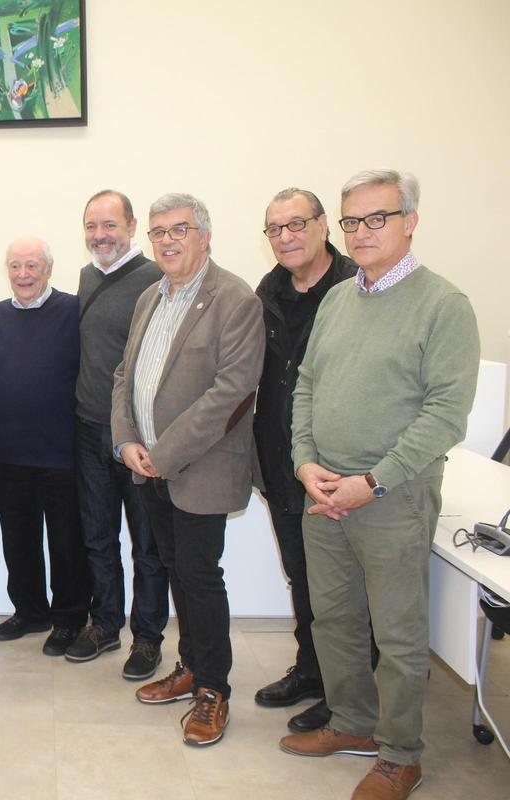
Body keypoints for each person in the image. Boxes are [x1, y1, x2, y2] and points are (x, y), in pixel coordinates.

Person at [280, 170, 480, 800]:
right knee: (334, 618)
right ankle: (352, 724)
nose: (361, 232)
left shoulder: (444, 305)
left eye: (377, 218)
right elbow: (307, 384)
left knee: (396, 633)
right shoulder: (340, 298)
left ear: (410, 221)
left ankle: (400, 755)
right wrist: (304, 463)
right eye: (351, 221)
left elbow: (446, 414)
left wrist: (373, 480)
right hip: (324, 490)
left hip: (391, 494)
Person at [112, 193, 264, 747]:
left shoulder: (235, 298)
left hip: (198, 468)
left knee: (201, 580)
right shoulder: (150, 295)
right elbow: (124, 375)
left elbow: (232, 392)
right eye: (157, 232)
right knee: (175, 570)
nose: (167, 241)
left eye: (178, 229)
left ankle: (213, 691)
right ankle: (191, 666)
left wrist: (164, 452)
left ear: (204, 235)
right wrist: (126, 441)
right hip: (149, 466)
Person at [252, 188, 358, 733]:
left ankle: (350, 694)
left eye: (296, 224)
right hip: (278, 459)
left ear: (324, 226)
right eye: (274, 228)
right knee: (303, 577)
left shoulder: (355, 287)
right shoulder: (267, 291)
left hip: (337, 466)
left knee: (342, 588)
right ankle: (312, 670)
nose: (285, 236)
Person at [72, 190, 169, 677]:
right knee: (97, 535)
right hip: (89, 429)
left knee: (148, 544)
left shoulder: (156, 279)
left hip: (138, 435)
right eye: (91, 226)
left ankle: (148, 638)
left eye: (109, 225)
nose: (99, 235)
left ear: (131, 226)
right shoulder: (87, 275)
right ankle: (104, 624)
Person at [0, 235, 87, 656]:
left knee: (67, 543)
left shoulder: (73, 309)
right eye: (15, 266)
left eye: (31, 266)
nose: (23, 274)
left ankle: (69, 618)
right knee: (18, 538)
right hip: (9, 450)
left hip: (61, 451)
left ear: (48, 269)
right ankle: (30, 611)